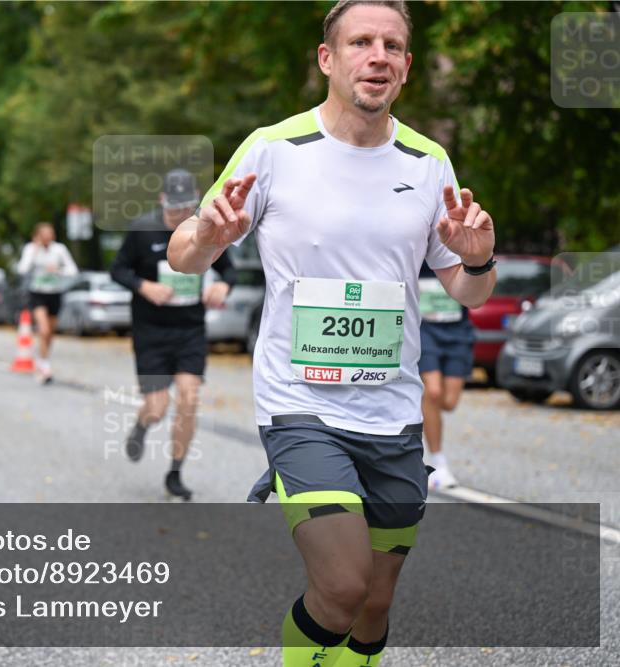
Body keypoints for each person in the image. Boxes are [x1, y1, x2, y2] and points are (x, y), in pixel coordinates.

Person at [166, 2, 496, 664]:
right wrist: (206, 234)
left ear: (405, 67)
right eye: (361, 42)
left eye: (393, 46)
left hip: (393, 412)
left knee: (375, 600)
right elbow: (182, 255)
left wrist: (479, 258)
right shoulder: (274, 148)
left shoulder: (429, 161)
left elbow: (465, 289)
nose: (378, 55)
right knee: (342, 585)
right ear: (328, 58)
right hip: (301, 405)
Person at [110, 169, 237, 501]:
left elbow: (228, 269)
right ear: (162, 200)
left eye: (188, 206)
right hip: (151, 331)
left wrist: (224, 285)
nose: (182, 213)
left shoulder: (205, 229)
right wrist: (144, 286)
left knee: (189, 399)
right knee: (156, 408)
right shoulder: (142, 230)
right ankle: (142, 424)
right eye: (175, 206)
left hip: (190, 330)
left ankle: (175, 473)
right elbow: (118, 269)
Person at [418, 263, 475, 489]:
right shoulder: (420, 247)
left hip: (457, 331)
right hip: (425, 329)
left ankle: (419, 405)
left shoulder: (459, 250)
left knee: (449, 402)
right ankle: (438, 463)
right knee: (433, 392)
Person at [17, 222, 79, 383]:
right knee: (43, 330)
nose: (47, 237)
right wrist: (35, 250)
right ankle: (44, 365)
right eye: (43, 234)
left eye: (49, 233)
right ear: (37, 235)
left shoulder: (59, 249)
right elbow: (22, 269)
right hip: (37, 293)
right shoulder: (31, 249)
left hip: (54, 293)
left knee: (50, 333)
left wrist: (58, 270)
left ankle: (43, 359)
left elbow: (73, 270)